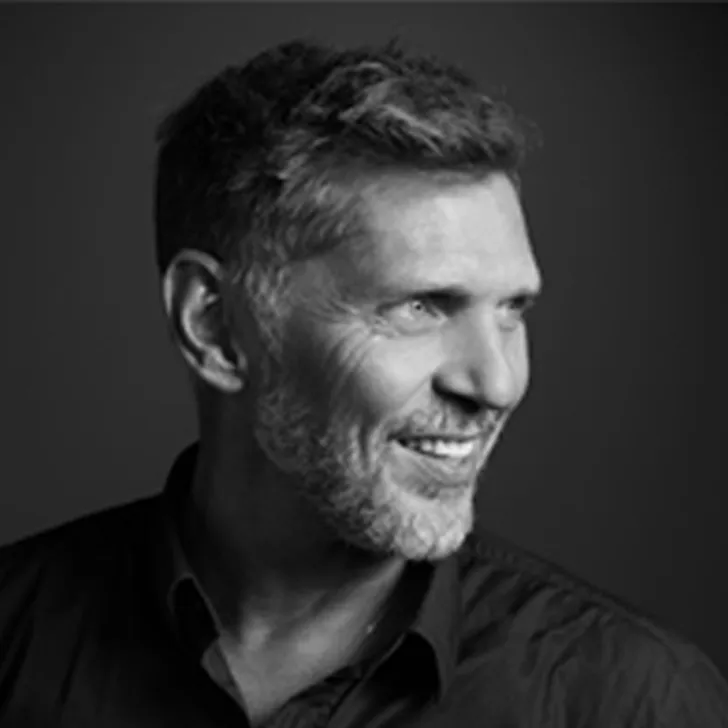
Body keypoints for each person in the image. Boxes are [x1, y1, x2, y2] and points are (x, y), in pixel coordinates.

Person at [0, 38, 726, 728]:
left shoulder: (632, 700)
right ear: (214, 325)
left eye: (512, 310)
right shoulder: (14, 644)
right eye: (421, 307)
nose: (496, 383)